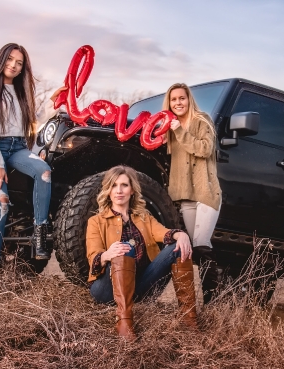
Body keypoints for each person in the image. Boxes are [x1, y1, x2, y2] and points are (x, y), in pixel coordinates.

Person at [0, 43, 66, 269]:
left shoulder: (21, 91)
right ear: (1, 59)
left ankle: (40, 233)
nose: (14, 66)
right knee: (2, 204)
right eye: (10, 60)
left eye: (19, 63)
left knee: (44, 171)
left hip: (18, 148)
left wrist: (53, 103)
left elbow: (31, 122)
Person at [86, 165, 197, 340]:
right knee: (124, 248)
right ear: (108, 191)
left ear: (132, 190)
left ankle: (189, 318)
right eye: (114, 185)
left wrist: (180, 234)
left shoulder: (144, 217)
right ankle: (124, 322)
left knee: (176, 247)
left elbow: (163, 232)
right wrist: (108, 254)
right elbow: (93, 257)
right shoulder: (96, 221)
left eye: (124, 185)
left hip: (141, 285)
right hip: (107, 289)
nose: (119, 190)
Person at [162, 83, 222, 303]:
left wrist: (179, 129)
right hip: (186, 196)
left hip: (206, 191)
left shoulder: (202, 120)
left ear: (189, 100)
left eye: (182, 98)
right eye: (174, 99)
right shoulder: (168, 128)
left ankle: (212, 302)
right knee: (193, 249)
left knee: (201, 243)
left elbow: (205, 149)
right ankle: (189, 303)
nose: (178, 103)